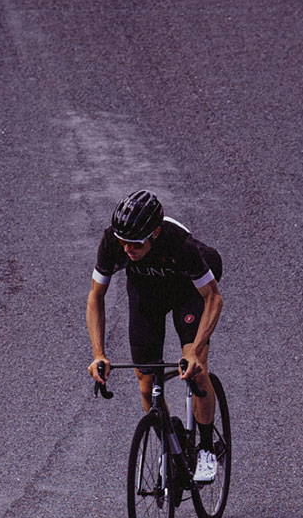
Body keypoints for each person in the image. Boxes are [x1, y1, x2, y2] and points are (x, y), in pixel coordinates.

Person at [86, 190, 224, 483]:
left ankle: (207, 449)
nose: (126, 249)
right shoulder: (114, 241)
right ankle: (170, 449)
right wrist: (98, 353)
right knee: (146, 382)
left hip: (190, 291)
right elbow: (96, 297)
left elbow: (213, 298)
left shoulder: (181, 246)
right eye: (123, 241)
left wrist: (193, 350)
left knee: (196, 370)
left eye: (134, 244)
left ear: (155, 233)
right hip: (147, 292)